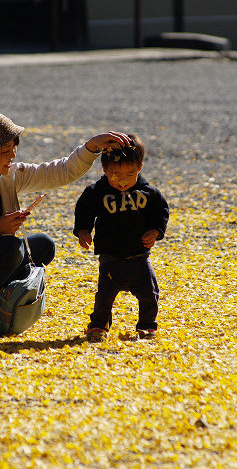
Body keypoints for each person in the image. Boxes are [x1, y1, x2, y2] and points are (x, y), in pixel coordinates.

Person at [0, 108, 131, 335]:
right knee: (11, 249)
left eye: (14, 147)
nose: (13, 155)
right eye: (5, 150)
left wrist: (92, 146)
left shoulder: (6, 174)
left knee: (43, 246)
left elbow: (60, 172)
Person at [73, 133, 170, 341]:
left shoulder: (148, 193)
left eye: (131, 173)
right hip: (110, 257)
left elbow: (161, 211)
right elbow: (84, 210)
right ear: (105, 169)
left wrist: (155, 231)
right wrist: (83, 231)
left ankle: (147, 325)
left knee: (149, 294)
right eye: (116, 175)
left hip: (139, 256)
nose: (123, 181)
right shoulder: (97, 192)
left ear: (140, 168)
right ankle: (99, 324)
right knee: (104, 296)